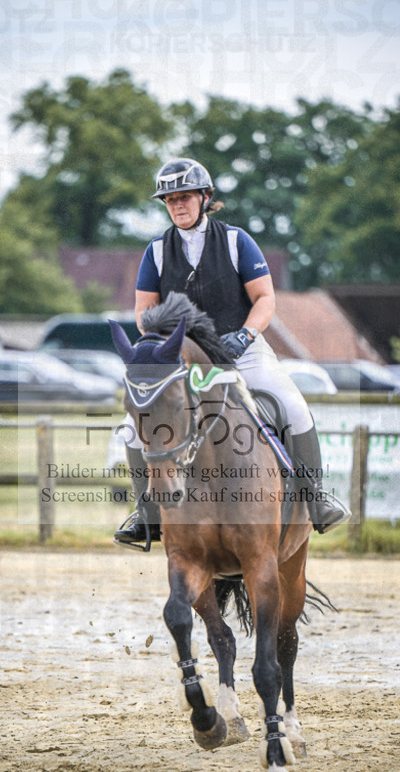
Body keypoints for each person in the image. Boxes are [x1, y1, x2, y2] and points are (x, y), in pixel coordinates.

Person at [114, 157, 350, 548]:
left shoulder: (235, 241)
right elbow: (143, 314)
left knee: (293, 406)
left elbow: (265, 298)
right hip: (185, 359)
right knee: (133, 428)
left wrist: (245, 334)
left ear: (205, 197)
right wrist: (166, 346)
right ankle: (146, 513)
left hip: (242, 350)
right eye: (170, 199)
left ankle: (316, 498)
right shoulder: (156, 251)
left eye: (185, 197)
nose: (177, 205)